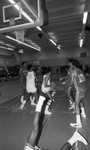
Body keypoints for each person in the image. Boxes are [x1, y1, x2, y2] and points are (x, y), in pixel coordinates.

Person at [24, 67, 56, 150]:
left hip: (45, 91)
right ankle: (44, 110)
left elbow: (44, 84)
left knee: (44, 102)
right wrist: (50, 86)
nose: (51, 72)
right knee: (47, 101)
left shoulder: (46, 76)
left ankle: (45, 109)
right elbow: (45, 85)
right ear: (49, 72)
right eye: (50, 71)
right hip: (45, 92)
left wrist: (49, 87)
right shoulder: (47, 76)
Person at [69, 59, 87, 128]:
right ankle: (83, 113)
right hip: (84, 88)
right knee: (80, 101)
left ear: (73, 65)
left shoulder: (74, 71)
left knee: (76, 104)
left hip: (79, 89)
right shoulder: (80, 70)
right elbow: (83, 79)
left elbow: (71, 82)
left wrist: (65, 84)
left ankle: (78, 123)